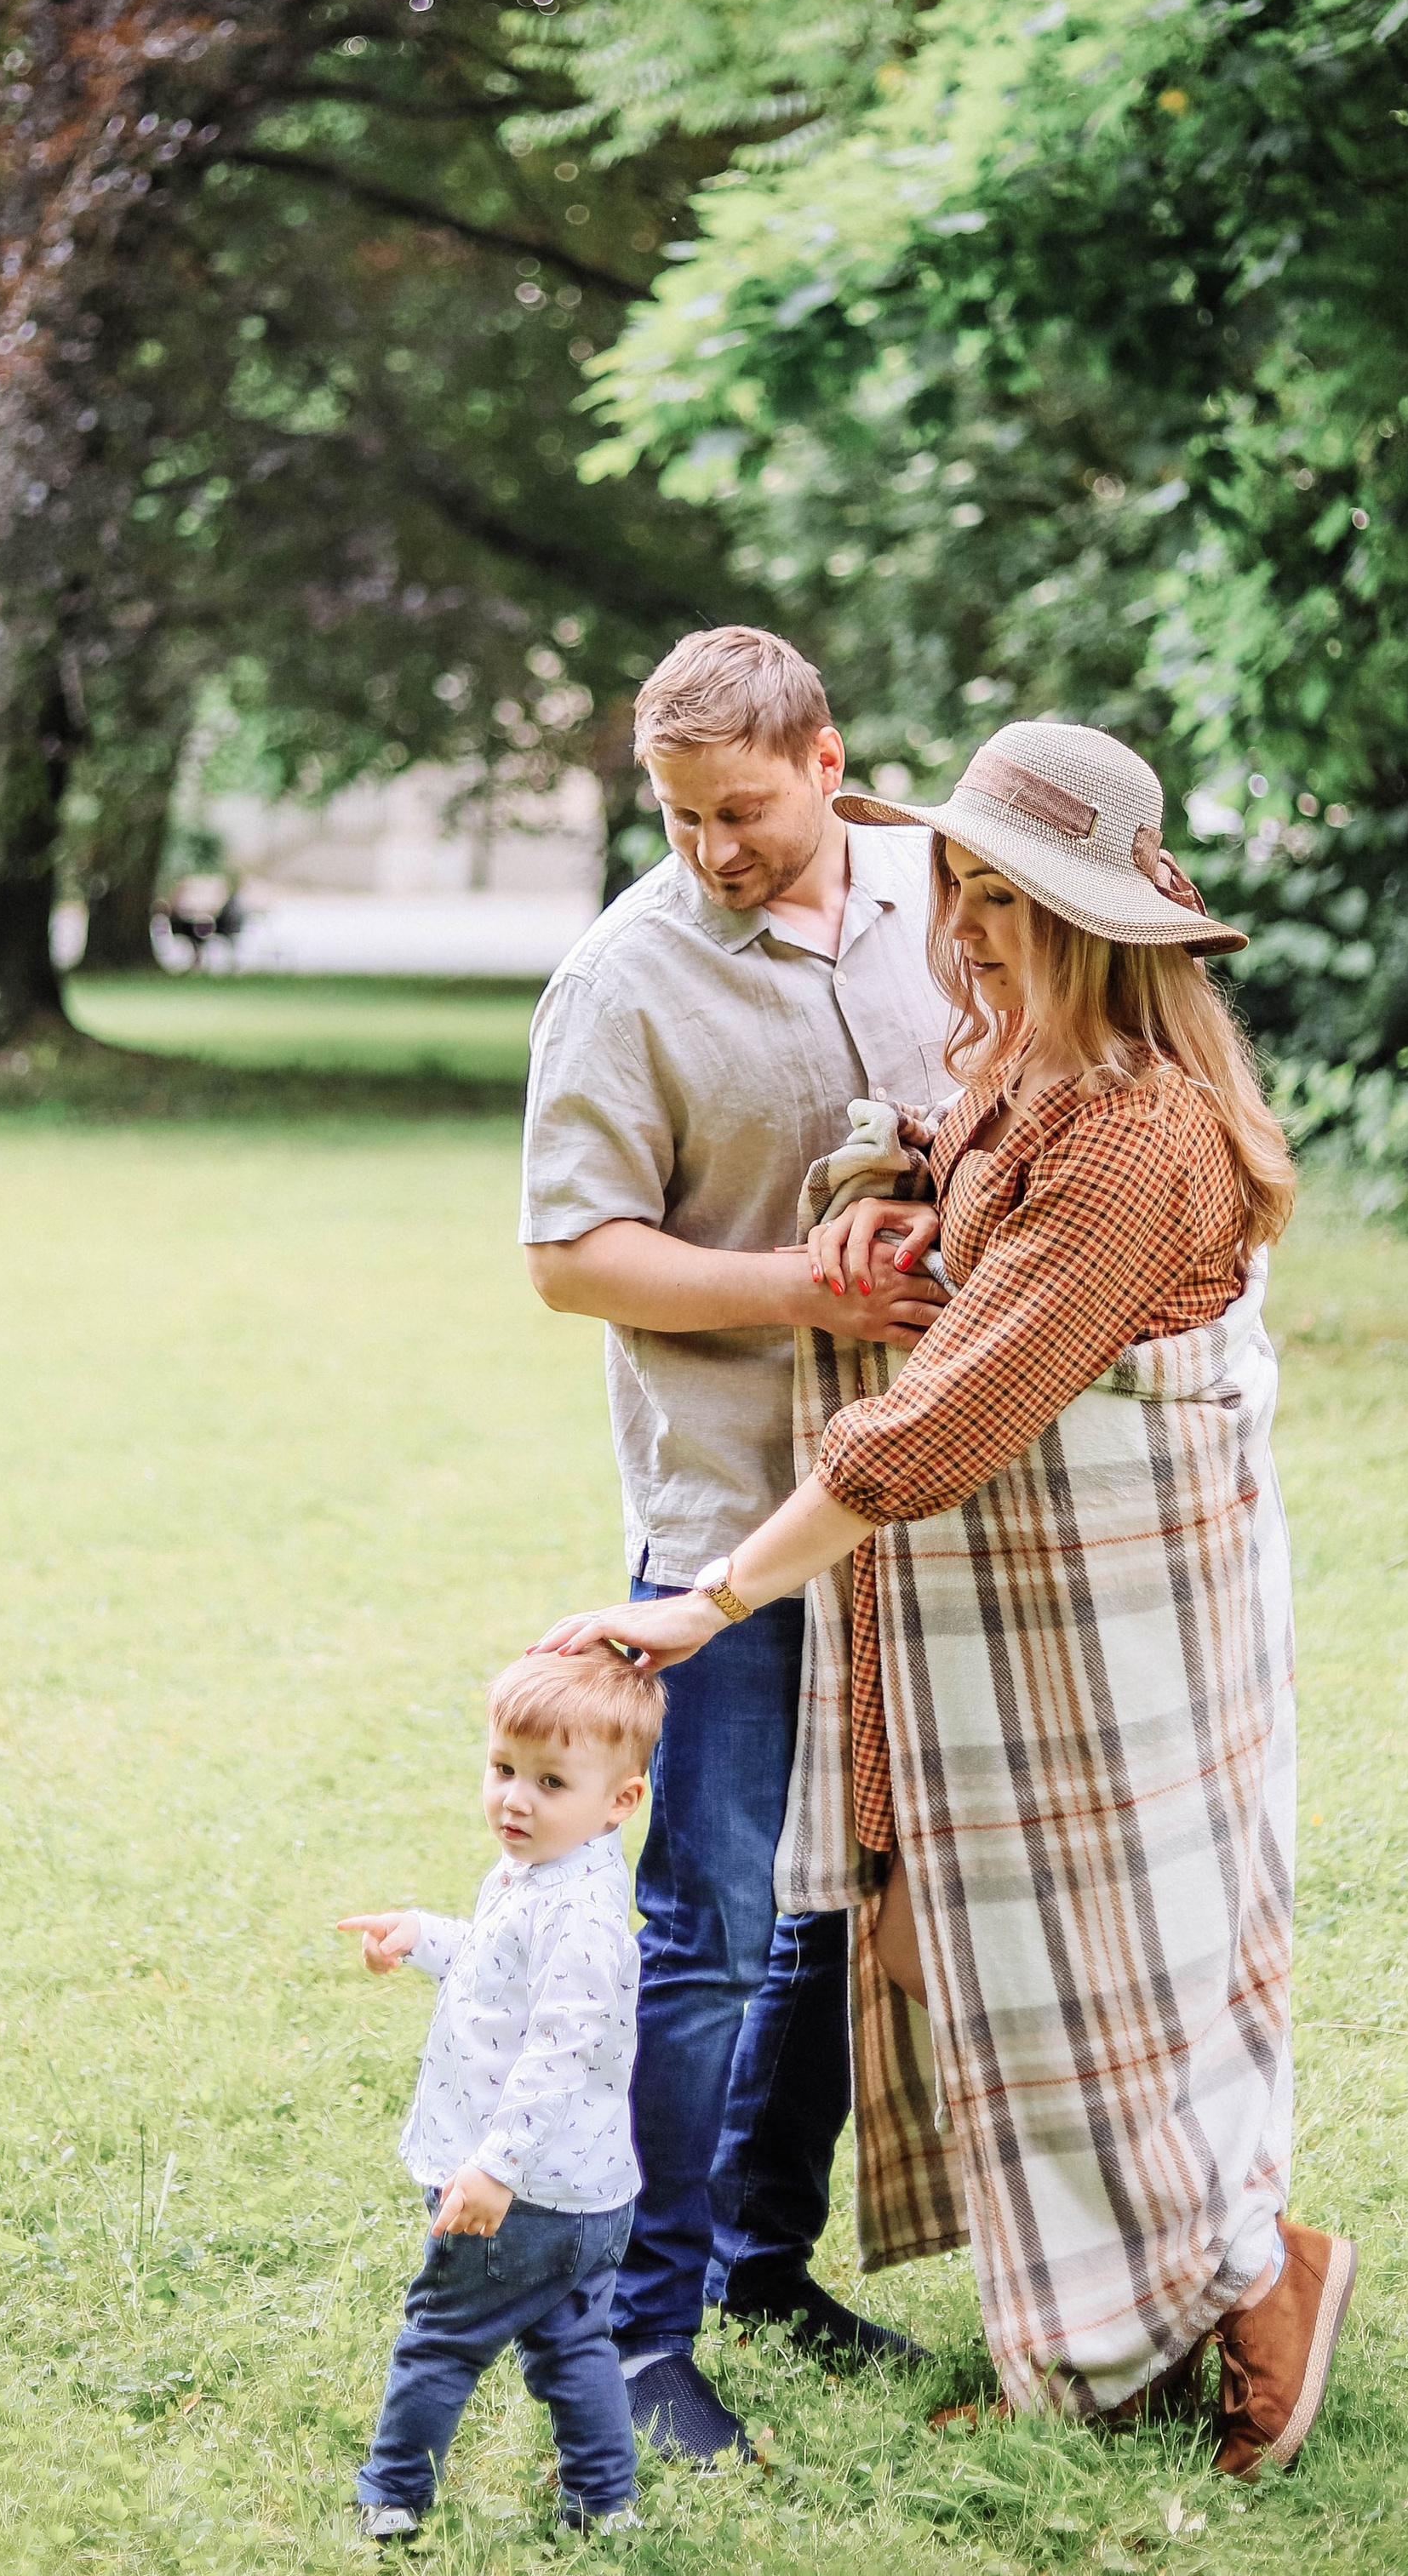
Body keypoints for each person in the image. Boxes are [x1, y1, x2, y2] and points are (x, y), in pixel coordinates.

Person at [538, 717, 1355, 2480]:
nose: (958, 927)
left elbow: (945, 1418)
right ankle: (1107, 2332)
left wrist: (706, 1602)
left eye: (997, 903)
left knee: (1119, 1975)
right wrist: (886, 1199)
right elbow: (947, 1201)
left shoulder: (1133, 1136)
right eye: (962, 888)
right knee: (986, 1963)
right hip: (997, 1639)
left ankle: (1256, 2280)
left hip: (1116, 1635)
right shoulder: (1022, 1072)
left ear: (1089, 927)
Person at [520, 626, 951, 2462]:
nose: (716, 852)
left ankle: (760, 2268)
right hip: (723, 1515)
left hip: (932, 1496)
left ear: (829, 763)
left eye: (746, 812)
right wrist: (798, 1283)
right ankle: (637, 2335)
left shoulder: (948, 886)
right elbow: (569, 1255)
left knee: (845, 1909)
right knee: (697, 1926)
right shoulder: (620, 976)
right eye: (683, 819)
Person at [337, 1651, 666, 2545]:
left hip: (518, 2193)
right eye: (503, 1769)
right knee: (572, 2345)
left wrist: (492, 2167)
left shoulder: (582, 1920)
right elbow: (495, 1964)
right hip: (585, 2191)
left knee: (440, 2339)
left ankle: (392, 2498)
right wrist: (417, 1936)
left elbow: (558, 2054)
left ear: (619, 1801)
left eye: (550, 1781)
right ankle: (605, 2506)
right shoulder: (541, 1875)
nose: (515, 1799)